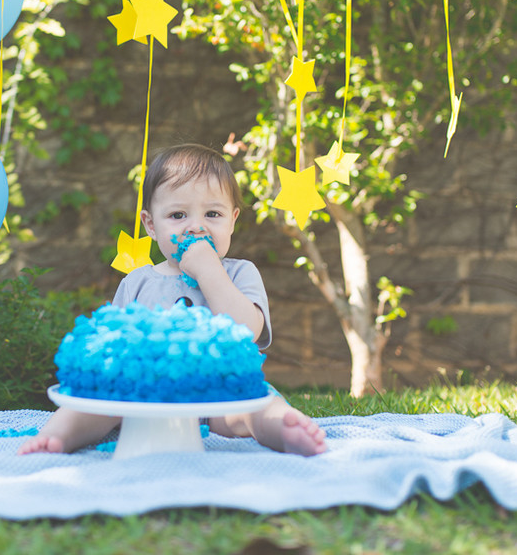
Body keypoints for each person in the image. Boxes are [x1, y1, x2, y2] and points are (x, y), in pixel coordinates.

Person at [19, 143, 327, 457]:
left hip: (221, 393)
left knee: (261, 407)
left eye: (212, 214)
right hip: (146, 396)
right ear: (151, 225)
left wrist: (209, 271)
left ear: (232, 220)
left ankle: (287, 430)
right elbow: (113, 351)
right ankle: (56, 438)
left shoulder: (239, 273)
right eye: (178, 215)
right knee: (96, 405)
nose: (196, 226)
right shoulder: (137, 281)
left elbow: (246, 333)